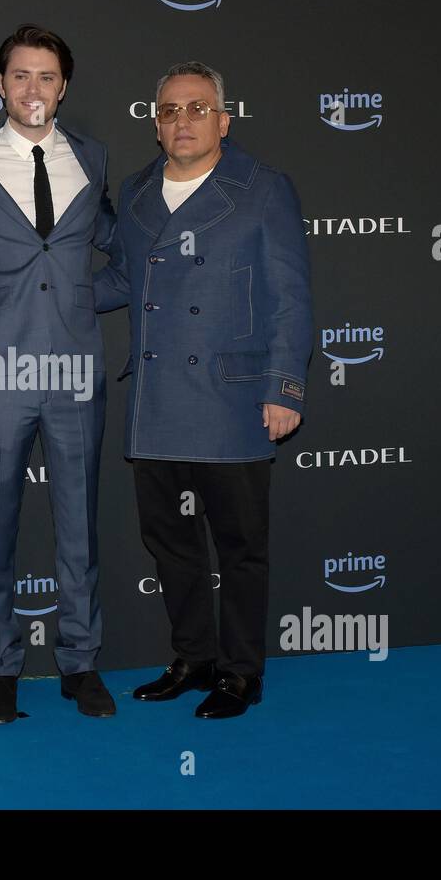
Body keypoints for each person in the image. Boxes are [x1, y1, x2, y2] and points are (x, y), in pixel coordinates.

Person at [94, 61, 313, 718]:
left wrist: (285, 388)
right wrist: (45, 296)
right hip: (159, 400)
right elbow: (124, 283)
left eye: (195, 108)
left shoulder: (263, 189)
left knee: (241, 548)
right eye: (168, 110)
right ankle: (193, 656)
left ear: (223, 119)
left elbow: (291, 297)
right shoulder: (134, 194)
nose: (181, 120)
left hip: (233, 400)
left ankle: (241, 671)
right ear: (156, 125)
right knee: (172, 543)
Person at [0, 25, 119, 721]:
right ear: (0, 86)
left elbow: (116, 250)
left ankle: (81, 663)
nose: (33, 89)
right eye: (20, 75)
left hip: (77, 367)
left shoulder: (94, 159)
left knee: (80, 522)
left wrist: (83, 297)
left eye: (46, 77)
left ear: (63, 87)